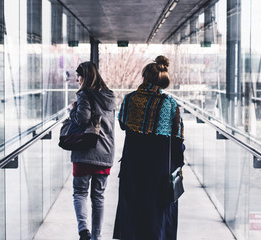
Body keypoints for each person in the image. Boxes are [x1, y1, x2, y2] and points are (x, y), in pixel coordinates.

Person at [113, 55, 184, 240]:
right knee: (157, 214)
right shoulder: (169, 104)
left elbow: (122, 123)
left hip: (133, 166)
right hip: (160, 171)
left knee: (133, 211)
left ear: (144, 78)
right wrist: (178, 166)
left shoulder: (130, 100)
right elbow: (177, 141)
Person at [69, 61, 115, 240]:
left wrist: (73, 110)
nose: (77, 80)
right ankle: (97, 237)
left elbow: (82, 118)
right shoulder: (110, 96)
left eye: (78, 76)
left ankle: (83, 231)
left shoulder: (84, 94)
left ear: (84, 76)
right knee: (98, 196)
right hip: (105, 152)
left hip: (85, 151)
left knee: (80, 192)